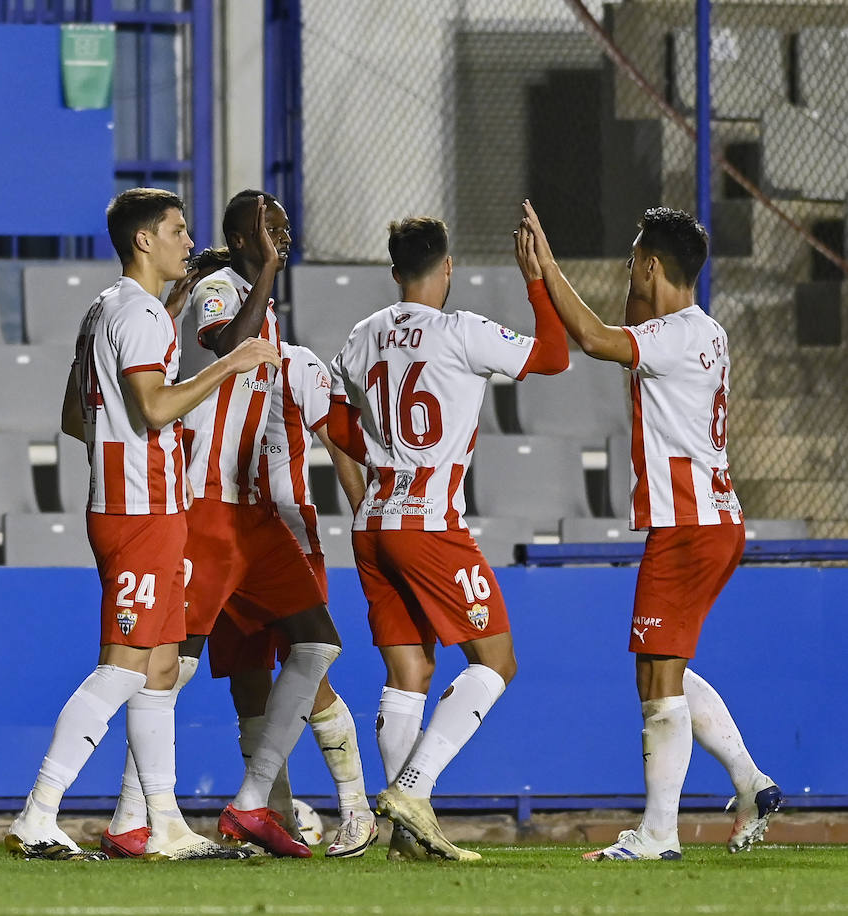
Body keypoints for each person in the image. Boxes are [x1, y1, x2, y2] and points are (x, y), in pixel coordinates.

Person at [5, 188, 279, 861]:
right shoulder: (141, 316)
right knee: (126, 667)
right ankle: (38, 813)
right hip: (141, 511)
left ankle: (164, 822)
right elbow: (155, 408)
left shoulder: (105, 309)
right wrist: (230, 363)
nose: (189, 243)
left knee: (158, 669)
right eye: (178, 231)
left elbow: (76, 416)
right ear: (144, 241)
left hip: (130, 504)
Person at [519, 201, 782, 861]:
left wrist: (547, 266)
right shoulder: (704, 331)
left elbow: (597, 340)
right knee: (658, 666)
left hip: (688, 525)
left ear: (652, 264)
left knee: (658, 680)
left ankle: (659, 834)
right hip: (712, 520)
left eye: (635, 258)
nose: (627, 267)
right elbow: (627, 328)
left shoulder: (675, 337)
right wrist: (635, 285)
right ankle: (750, 783)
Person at [105, 190, 344, 860]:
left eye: (286, 229)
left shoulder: (261, 302)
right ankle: (134, 815)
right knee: (169, 665)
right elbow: (227, 344)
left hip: (252, 511)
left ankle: (251, 804)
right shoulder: (221, 287)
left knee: (317, 642)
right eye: (269, 231)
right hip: (205, 501)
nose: (283, 239)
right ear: (242, 241)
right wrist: (265, 271)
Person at [325, 216, 569, 861]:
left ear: (395, 269)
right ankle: (414, 789)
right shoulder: (462, 332)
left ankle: (408, 836)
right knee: (497, 661)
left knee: (409, 670)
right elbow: (553, 356)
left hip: (373, 522)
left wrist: (383, 457)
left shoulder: (364, 333)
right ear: (448, 266)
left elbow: (335, 423)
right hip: (430, 525)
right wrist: (536, 281)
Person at [205, 334, 377, 858]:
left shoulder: (294, 362)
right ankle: (272, 819)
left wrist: (361, 511)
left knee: (311, 677)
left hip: (290, 540)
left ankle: (356, 810)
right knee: (246, 685)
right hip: (225, 542)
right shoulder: (205, 368)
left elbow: (337, 437)